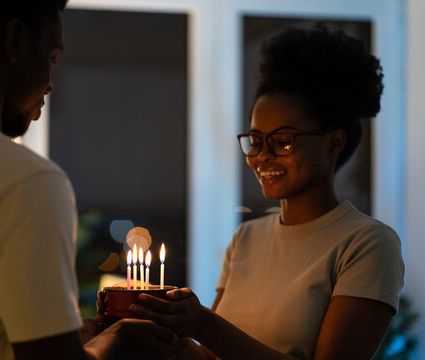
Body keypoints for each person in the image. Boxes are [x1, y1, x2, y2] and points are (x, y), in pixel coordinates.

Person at [0, 0, 184, 359]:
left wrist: (67, 334)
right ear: (12, 40)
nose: (50, 85)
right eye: (52, 56)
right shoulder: (26, 180)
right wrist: (117, 340)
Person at [128, 24, 405, 359]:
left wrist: (205, 325)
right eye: (256, 141)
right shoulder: (246, 238)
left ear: (334, 142)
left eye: (283, 141)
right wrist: (144, 332)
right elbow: (212, 357)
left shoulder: (366, 243)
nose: (263, 156)